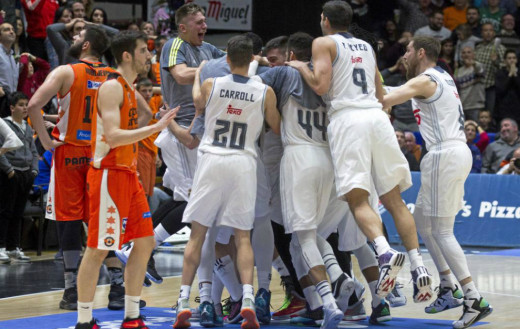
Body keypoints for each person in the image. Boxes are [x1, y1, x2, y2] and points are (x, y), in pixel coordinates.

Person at [288, 0, 432, 308]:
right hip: (377, 119)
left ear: (324, 19)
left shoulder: (323, 42)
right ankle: (419, 264)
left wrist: (302, 67)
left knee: (357, 199)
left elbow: (322, 85)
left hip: (349, 119)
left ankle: (384, 252)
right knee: (393, 199)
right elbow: (382, 97)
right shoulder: (367, 47)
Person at [383, 36, 493, 329]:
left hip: (445, 153)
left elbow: (386, 96)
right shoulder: (443, 76)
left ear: (421, 52)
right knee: (423, 223)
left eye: (407, 51)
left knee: (442, 231)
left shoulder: (426, 79)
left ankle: (474, 298)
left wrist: (367, 74)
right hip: (451, 153)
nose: (404, 56)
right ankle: (448, 286)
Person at [173, 35, 280, 329]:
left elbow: (196, 101)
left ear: (228, 60)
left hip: (212, 159)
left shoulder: (212, 84)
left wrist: (199, 74)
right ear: (253, 59)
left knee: (199, 234)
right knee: (242, 236)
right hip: (244, 162)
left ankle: (184, 301)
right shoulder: (265, 91)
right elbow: (276, 126)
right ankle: (247, 299)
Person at [74, 30, 177, 329]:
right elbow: (116, 137)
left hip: (127, 174)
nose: (149, 56)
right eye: (144, 51)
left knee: (144, 243)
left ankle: (132, 316)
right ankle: (84, 320)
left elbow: (134, 125)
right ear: (127, 55)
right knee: (98, 248)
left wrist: (153, 123)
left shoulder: (130, 89)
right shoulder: (111, 88)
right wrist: (156, 127)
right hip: (108, 174)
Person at [27, 25, 119, 311]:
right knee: (102, 220)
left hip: (69, 153)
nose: (74, 38)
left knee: (68, 219)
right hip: (102, 154)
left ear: (87, 46)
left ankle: (71, 291)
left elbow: (32, 105)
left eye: (79, 36)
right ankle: (118, 286)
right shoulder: (115, 77)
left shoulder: (66, 71)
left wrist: (45, 139)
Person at [0, 92, 38, 264]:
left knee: (18, 212)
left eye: (26, 104)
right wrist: (9, 170)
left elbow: (34, 151)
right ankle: (1, 247)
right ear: (12, 108)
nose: (25, 108)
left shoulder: (28, 127)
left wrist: (34, 171)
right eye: (21, 105)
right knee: (5, 211)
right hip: (10, 173)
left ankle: (13, 248)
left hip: (26, 174)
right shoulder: (4, 125)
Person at [474, 22, 506, 112]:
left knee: (489, 113)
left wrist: (496, 61)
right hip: (477, 86)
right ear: (481, 33)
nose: (488, 33)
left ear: (494, 33)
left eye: (490, 30)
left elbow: (505, 68)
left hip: (491, 87)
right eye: (485, 30)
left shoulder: (499, 47)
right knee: (478, 113)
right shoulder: (478, 48)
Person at [454, 46, 485, 121]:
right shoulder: (458, 71)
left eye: (469, 52)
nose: (466, 54)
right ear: (461, 56)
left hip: (476, 106)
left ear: (474, 55)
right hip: (462, 106)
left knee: (476, 130)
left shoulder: (479, 66)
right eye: (464, 53)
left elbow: (480, 71)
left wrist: (473, 63)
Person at [494, 50, 520, 124]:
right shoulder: (499, 73)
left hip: (517, 109)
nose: (512, 60)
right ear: (505, 61)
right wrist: (510, 75)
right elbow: (500, 90)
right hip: (503, 109)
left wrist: (515, 75)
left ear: (517, 60)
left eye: (514, 58)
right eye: (509, 58)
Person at [0, 22, 20, 117]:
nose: (11, 32)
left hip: (10, 100)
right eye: (7, 30)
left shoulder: (12, 56)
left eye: (12, 29)